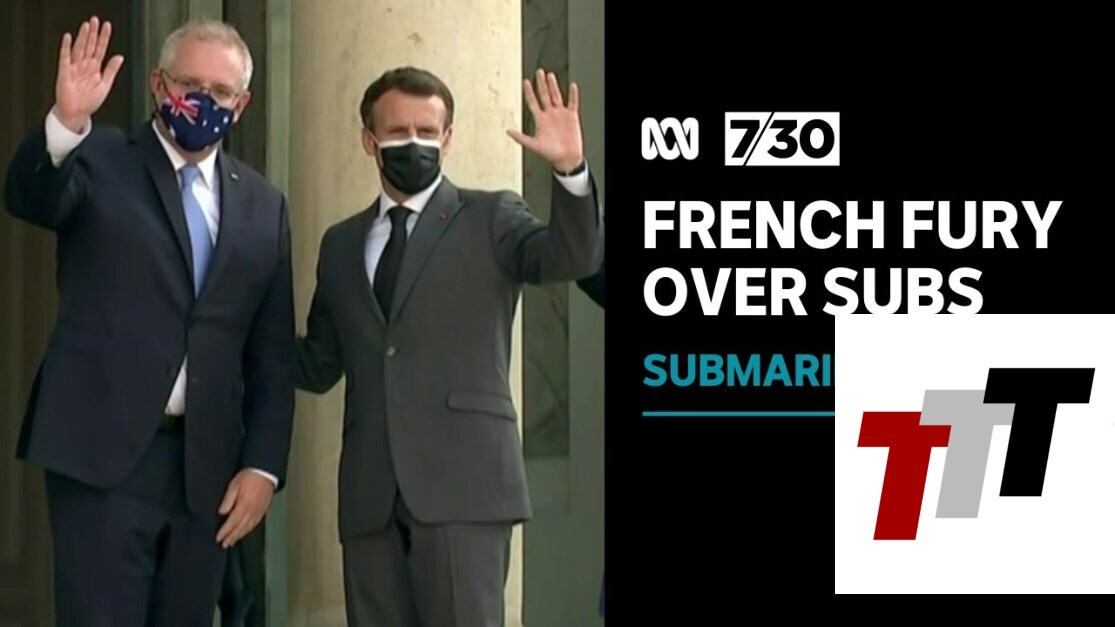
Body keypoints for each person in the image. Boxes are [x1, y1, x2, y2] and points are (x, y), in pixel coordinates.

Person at [3, 17, 295, 626]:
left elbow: (270, 351)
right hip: (101, 457)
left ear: (242, 105)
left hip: (205, 471)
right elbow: (31, 198)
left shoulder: (263, 205)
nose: (203, 101)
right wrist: (66, 122)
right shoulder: (99, 156)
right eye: (189, 85)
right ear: (159, 84)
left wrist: (263, 465)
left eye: (220, 92)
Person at [296, 66, 602, 626]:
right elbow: (317, 364)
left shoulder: (492, 217)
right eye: (398, 132)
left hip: (467, 489)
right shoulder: (340, 244)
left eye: (427, 131)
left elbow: (572, 258)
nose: (414, 143)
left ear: (449, 138)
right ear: (369, 140)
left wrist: (570, 171)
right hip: (370, 498)